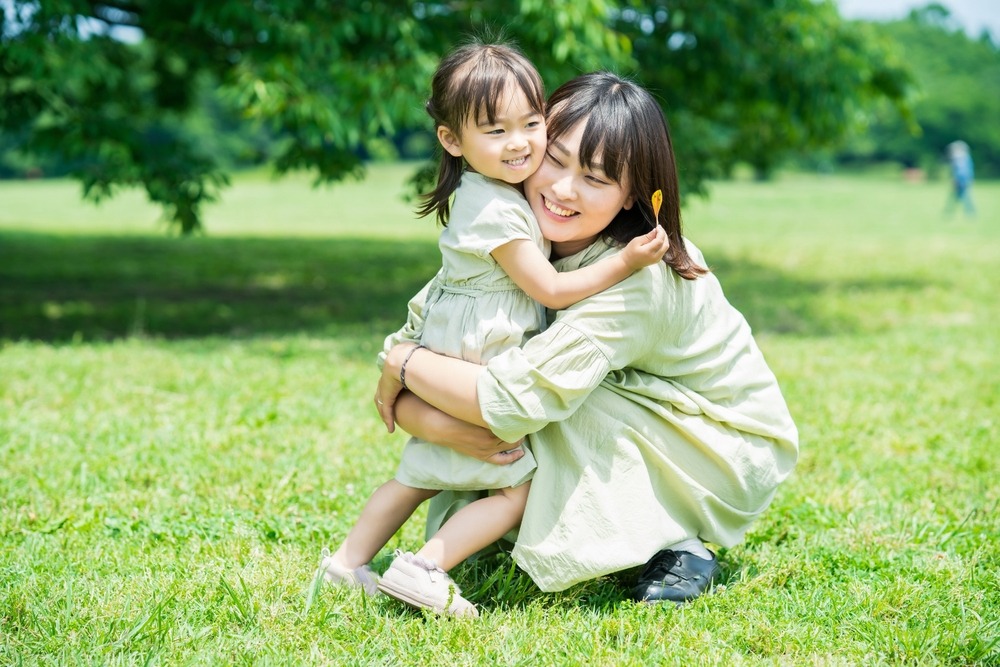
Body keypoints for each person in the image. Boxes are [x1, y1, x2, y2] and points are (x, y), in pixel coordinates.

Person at [374, 72, 799, 607]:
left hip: (719, 445)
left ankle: (676, 540)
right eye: (555, 158)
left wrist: (402, 363)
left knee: (555, 392)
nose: (562, 189)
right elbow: (436, 323)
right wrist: (423, 393)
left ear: (632, 197)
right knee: (494, 365)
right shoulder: (516, 230)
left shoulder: (640, 275)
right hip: (634, 406)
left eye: (596, 178)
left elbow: (513, 398)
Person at [319, 45, 668, 617]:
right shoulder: (498, 211)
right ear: (452, 140)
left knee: (418, 473)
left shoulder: (490, 195)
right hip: (480, 351)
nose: (520, 143)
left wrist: (398, 368)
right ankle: (425, 566)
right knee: (515, 489)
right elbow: (550, 291)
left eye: (532, 124)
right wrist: (625, 262)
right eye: (496, 129)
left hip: (455, 342)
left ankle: (344, 565)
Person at [945, 140, 975, 218]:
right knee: (959, 197)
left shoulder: (962, 159)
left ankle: (970, 213)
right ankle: (949, 212)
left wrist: (960, 180)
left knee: (965, 197)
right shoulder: (962, 159)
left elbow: (964, 171)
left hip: (962, 181)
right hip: (960, 181)